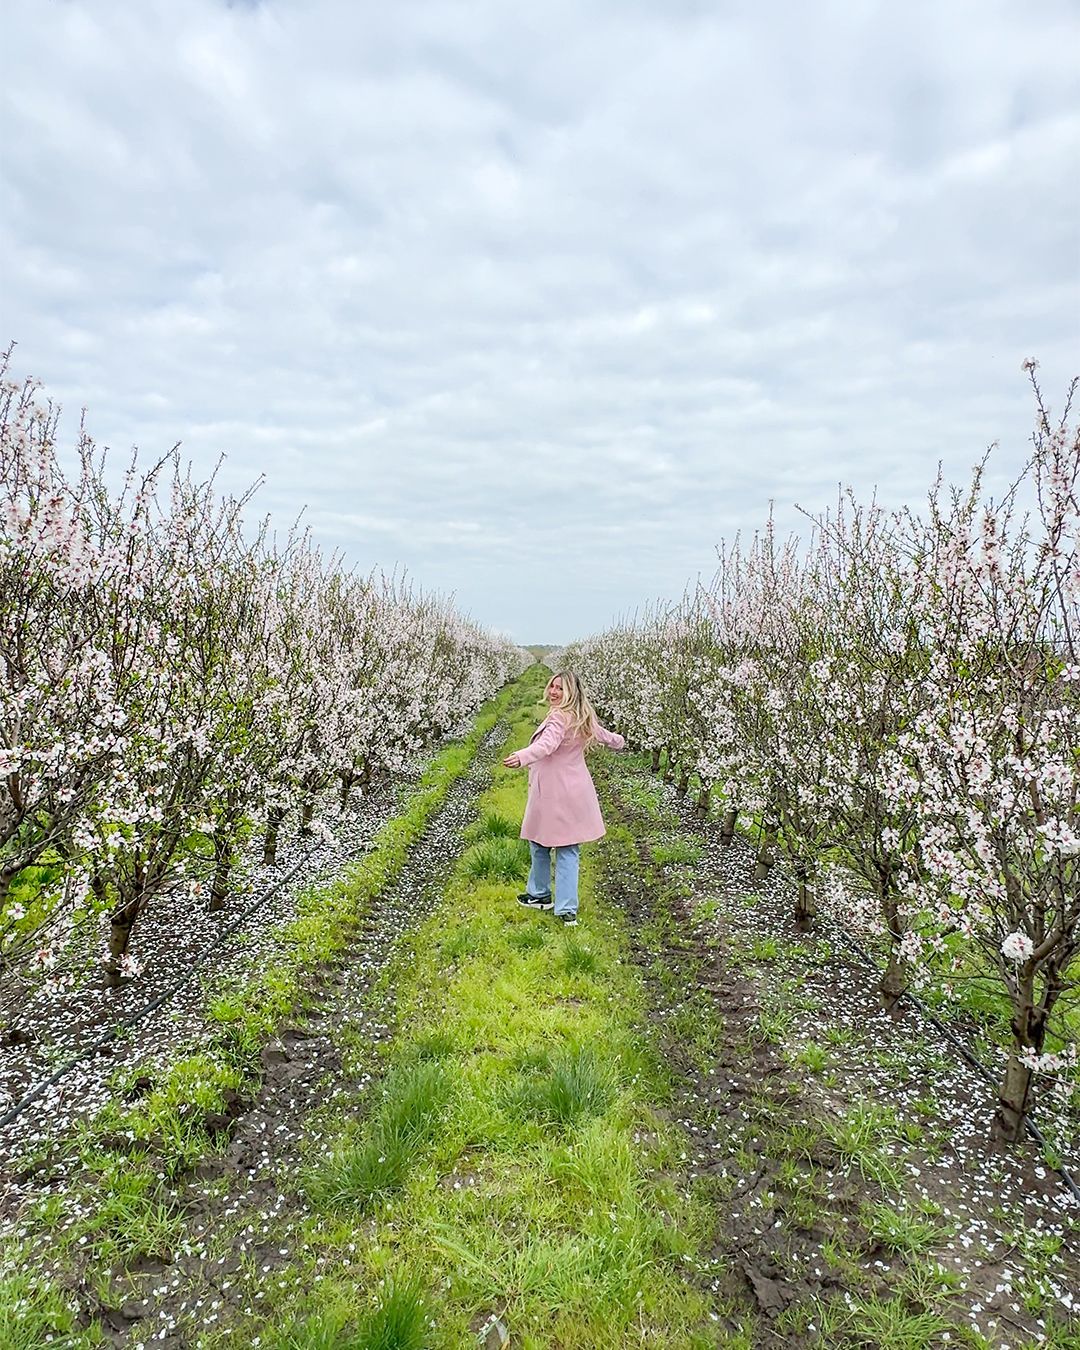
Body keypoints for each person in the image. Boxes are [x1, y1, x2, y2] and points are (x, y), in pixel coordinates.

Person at [502, 670, 625, 927]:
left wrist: (522, 756)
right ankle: (566, 909)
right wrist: (620, 741)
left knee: (540, 843)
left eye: (560, 688)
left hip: (553, 793)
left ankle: (540, 894)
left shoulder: (559, 717)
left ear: (571, 692)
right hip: (575, 790)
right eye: (552, 686)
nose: (553, 692)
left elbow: (547, 744)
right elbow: (607, 737)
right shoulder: (582, 716)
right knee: (568, 848)